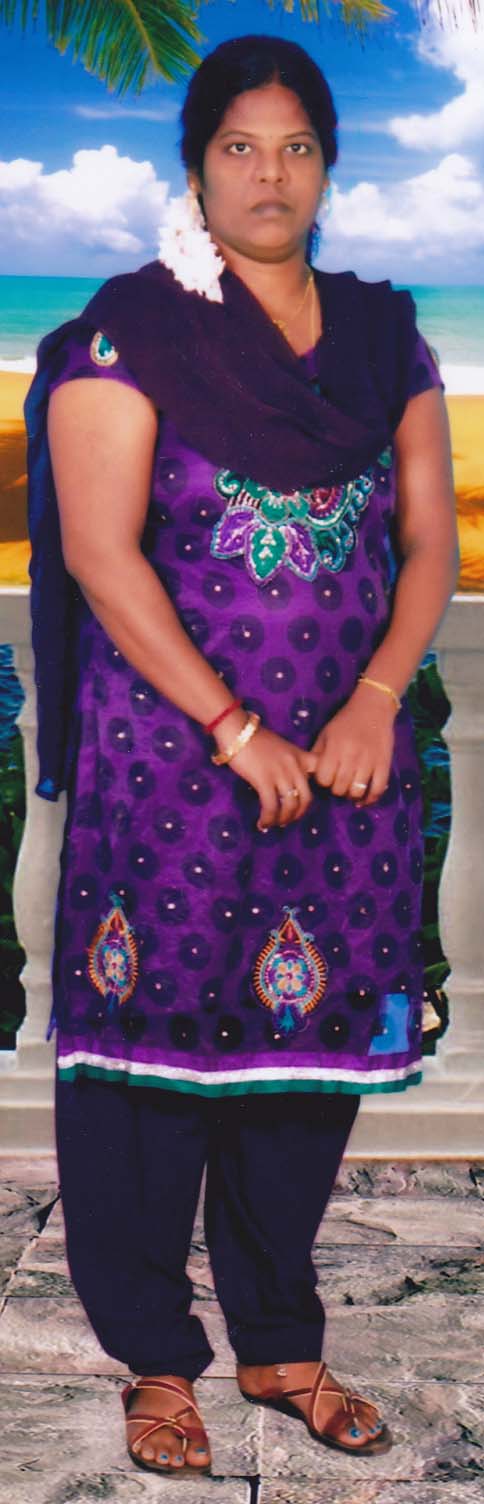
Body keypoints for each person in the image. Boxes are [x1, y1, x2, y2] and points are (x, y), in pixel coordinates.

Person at [25, 33, 458, 1478]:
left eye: (296, 147)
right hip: (172, 763)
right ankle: (157, 1357)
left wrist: (378, 700)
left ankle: (279, 1343)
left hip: (346, 765)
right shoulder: (129, 334)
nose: (269, 175)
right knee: (146, 1066)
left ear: (328, 167)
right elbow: (102, 555)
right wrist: (232, 725)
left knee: (301, 1057)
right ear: (197, 167)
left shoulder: (387, 340)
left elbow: (426, 543)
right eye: (238, 147)